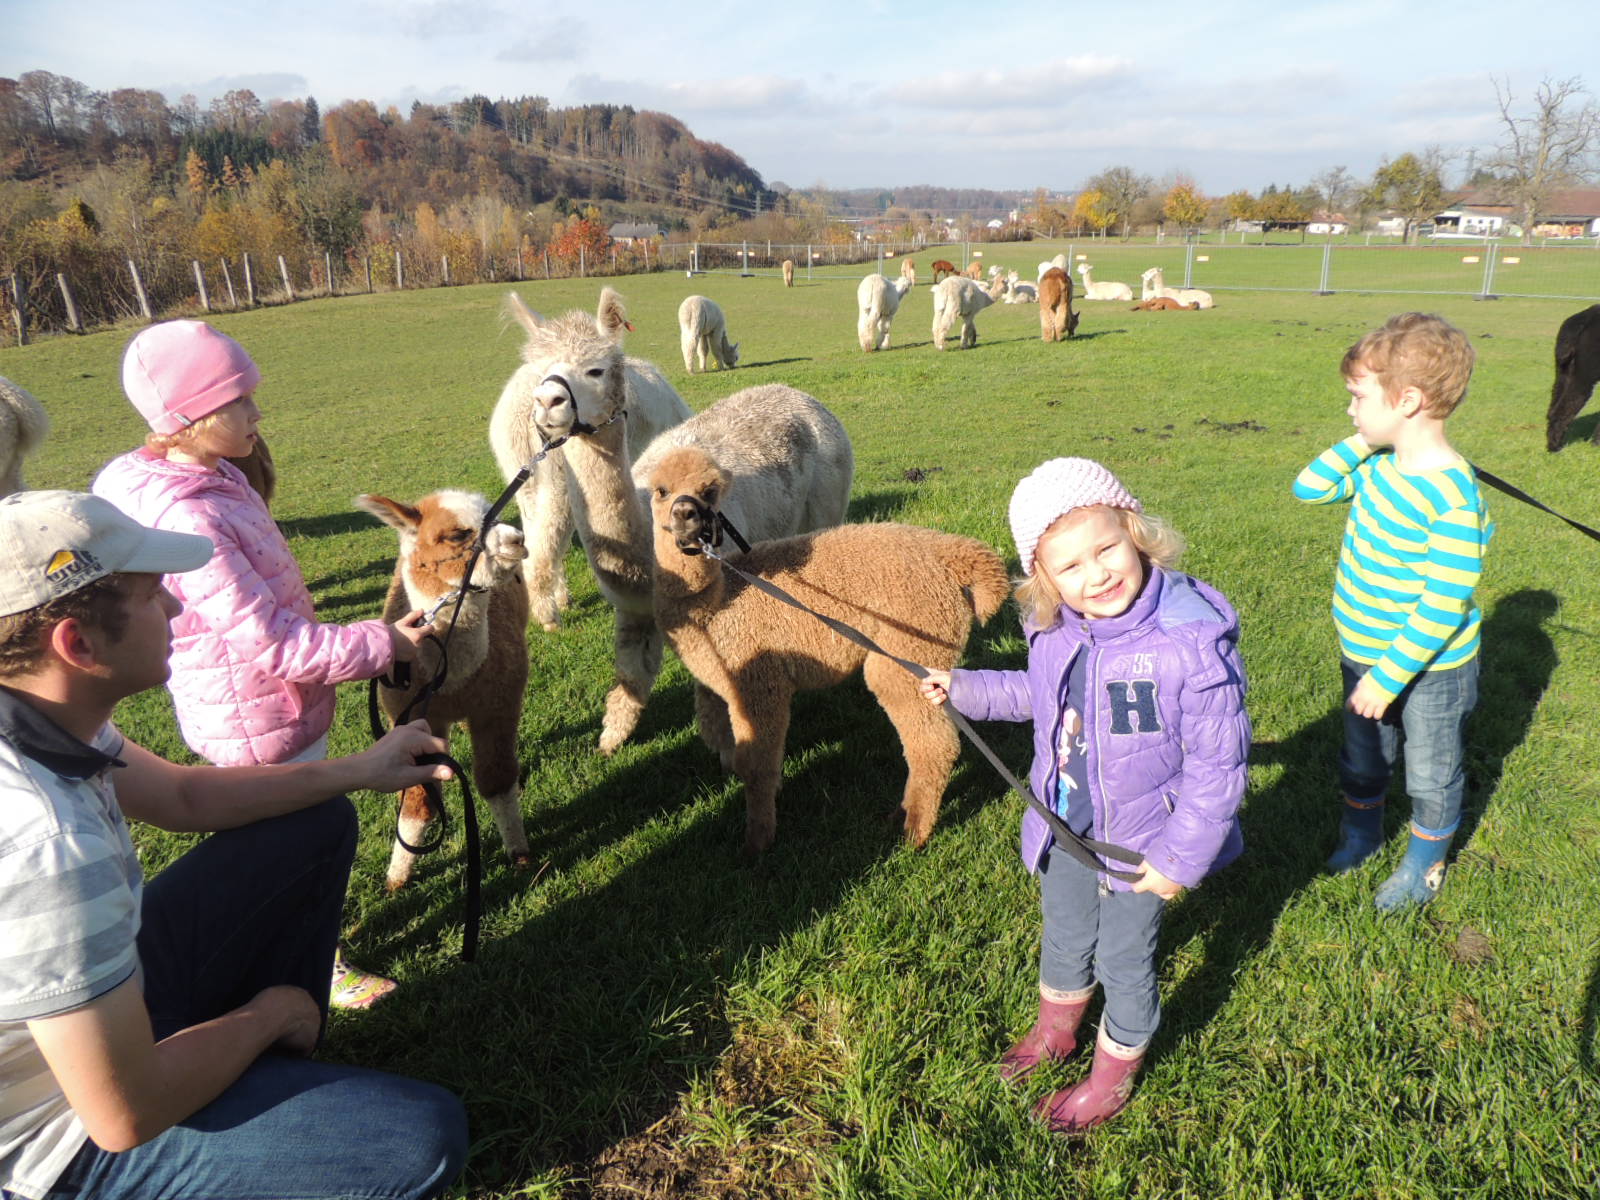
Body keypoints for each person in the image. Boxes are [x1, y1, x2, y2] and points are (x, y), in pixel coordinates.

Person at [0, 489, 467, 1200]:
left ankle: (250, 1075)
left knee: (316, 823)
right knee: (416, 1139)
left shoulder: (43, 714)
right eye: (155, 596)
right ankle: (255, 1063)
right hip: (58, 1133)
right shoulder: (49, 844)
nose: (178, 612)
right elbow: (124, 1116)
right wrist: (268, 1013)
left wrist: (358, 770)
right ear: (78, 644)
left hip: (86, 1024)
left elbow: (184, 797)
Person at [92, 319, 429, 1008]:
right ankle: (307, 968)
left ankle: (297, 950)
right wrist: (386, 642)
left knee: (283, 842)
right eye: (240, 401)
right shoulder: (194, 519)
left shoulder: (198, 477)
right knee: (295, 849)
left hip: (253, 704)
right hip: (262, 717)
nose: (257, 413)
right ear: (188, 418)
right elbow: (274, 644)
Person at [919, 457, 1248, 1133]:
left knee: (1125, 960)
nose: (1096, 574)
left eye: (1106, 549)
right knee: (1066, 934)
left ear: (1135, 532)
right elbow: (1039, 700)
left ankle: (1110, 1078)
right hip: (1067, 823)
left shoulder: (1189, 644)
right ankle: (1056, 1033)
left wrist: (1180, 858)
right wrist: (966, 688)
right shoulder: (1058, 630)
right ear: (1044, 580)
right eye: (1069, 566)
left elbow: (1220, 766)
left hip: (1142, 845)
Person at [1293, 312, 1492, 911]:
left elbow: (1442, 605)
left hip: (1430, 669)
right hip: (1363, 654)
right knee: (1363, 757)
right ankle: (1361, 833)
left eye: (1358, 398)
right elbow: (1309, 487)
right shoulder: (1378, 469)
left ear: (1407, 400)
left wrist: (1390, 676)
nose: (1350, 410)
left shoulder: (1453, 498)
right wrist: (1368, 437)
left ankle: (1423, 865)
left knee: (1431, 773)